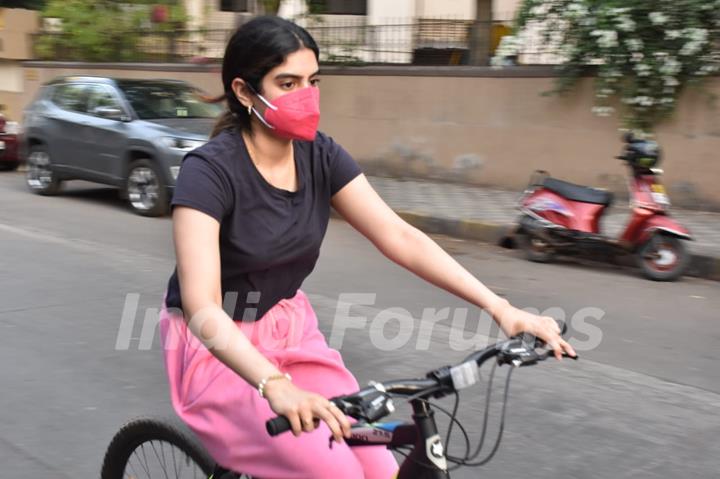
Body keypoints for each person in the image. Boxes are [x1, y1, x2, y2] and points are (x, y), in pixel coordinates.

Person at [158, 15, 576, 479]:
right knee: (332, 471)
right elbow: (202, 307)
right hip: (218, 346)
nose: (306, 95)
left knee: (376, 464)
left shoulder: (320, 155)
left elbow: (400, 236)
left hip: (290, 332)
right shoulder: (209, 172)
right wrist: (273, 384)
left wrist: (502, 308)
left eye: (313, 81)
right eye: (288, 82)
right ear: (243, 92)